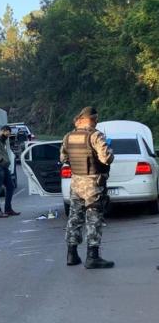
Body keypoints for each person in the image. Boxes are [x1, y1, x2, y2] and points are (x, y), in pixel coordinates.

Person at [60, 106, 114, 269]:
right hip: (93, 183)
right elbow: (106, 159)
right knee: (94, 217)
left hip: (76, 182)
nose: (96, 122)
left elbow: (63, 157)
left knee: (74, 217)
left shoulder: (68, 137)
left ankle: (71, 254)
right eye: (95, 119)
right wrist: (110, 151)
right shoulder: (95, 136)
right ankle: (93, 256)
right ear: (89, 120)